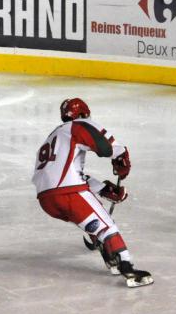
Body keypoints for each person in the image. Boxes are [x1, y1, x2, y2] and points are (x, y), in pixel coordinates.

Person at [32, 98, 153, 287]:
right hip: (68, 193)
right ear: (84, 114)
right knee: (107, 226)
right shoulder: (79, 125)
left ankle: (111, 258)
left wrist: (104, 189)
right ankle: (126, 267)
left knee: (93, 223)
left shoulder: (55, 136)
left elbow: (70, 175)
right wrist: (120, 156)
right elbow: (106, 147)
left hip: (46, 199)